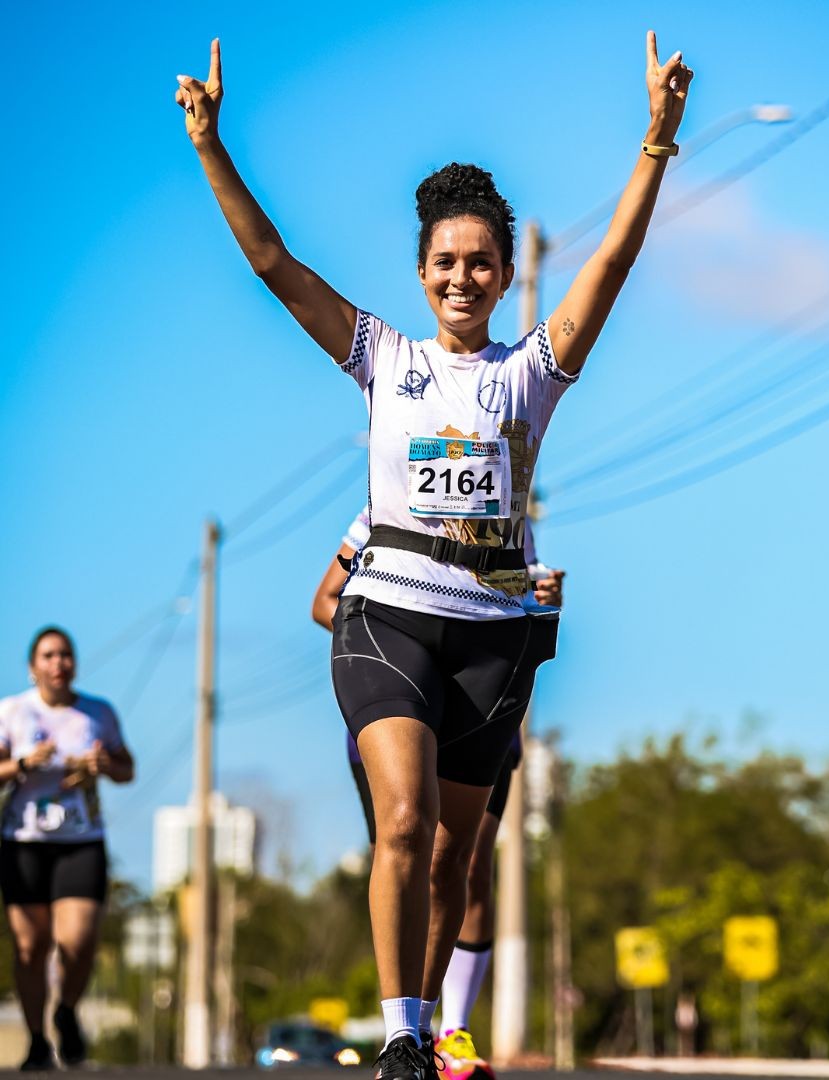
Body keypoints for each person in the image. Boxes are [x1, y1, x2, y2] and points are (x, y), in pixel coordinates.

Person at [178, 33, 691, 1080]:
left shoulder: (532, 374)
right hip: (388, 617)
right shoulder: (385, 358)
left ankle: (442, 1019)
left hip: (494, 637)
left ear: (503, 276)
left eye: (480, 262)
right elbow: (275, 264)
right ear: (422, 275)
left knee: (460, 852)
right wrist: (210, 146)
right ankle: (404, 1033)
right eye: (445, 262)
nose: (462, 277)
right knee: (405, 821)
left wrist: (657, 140)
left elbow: (616, 263)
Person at [311, 513, 564, 1078]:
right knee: (406, 840)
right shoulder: (385, 510)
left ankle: (448, 1030)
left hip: (486, 716)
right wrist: (402, 666)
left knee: (466, 863)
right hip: (400, 717)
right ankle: (401, 1031)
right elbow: (324, 601)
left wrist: (547, 596)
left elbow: (526, 610)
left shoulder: (512, 518)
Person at [0, 629, 135, 1070]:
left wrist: (103, 764)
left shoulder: (96, 712)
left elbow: (126, 767)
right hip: (24, 841)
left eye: (66, 655)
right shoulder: (13, 711)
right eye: (48, 655)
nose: (58, 663)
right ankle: (38, 1038)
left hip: (81, 840)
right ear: (33, 666)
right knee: (30, 947)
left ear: (74, 664)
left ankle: (67, 1010)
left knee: (76, 942)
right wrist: (24, 763)